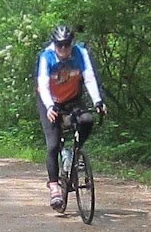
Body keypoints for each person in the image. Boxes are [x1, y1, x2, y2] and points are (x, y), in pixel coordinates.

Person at [36, 24, 107, 210]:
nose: (63, 49)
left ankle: (74, 157)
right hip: (50, 102)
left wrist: (98, 101)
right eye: (59, 45)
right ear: (54, 44)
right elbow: (43, 85)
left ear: (71, 44)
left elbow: (89, 78)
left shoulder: (80, 53)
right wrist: (50, 106)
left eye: (67, 45)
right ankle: (54, 187)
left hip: (72, 99)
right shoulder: (46, 57)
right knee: (52, 145)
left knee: (87, 120)